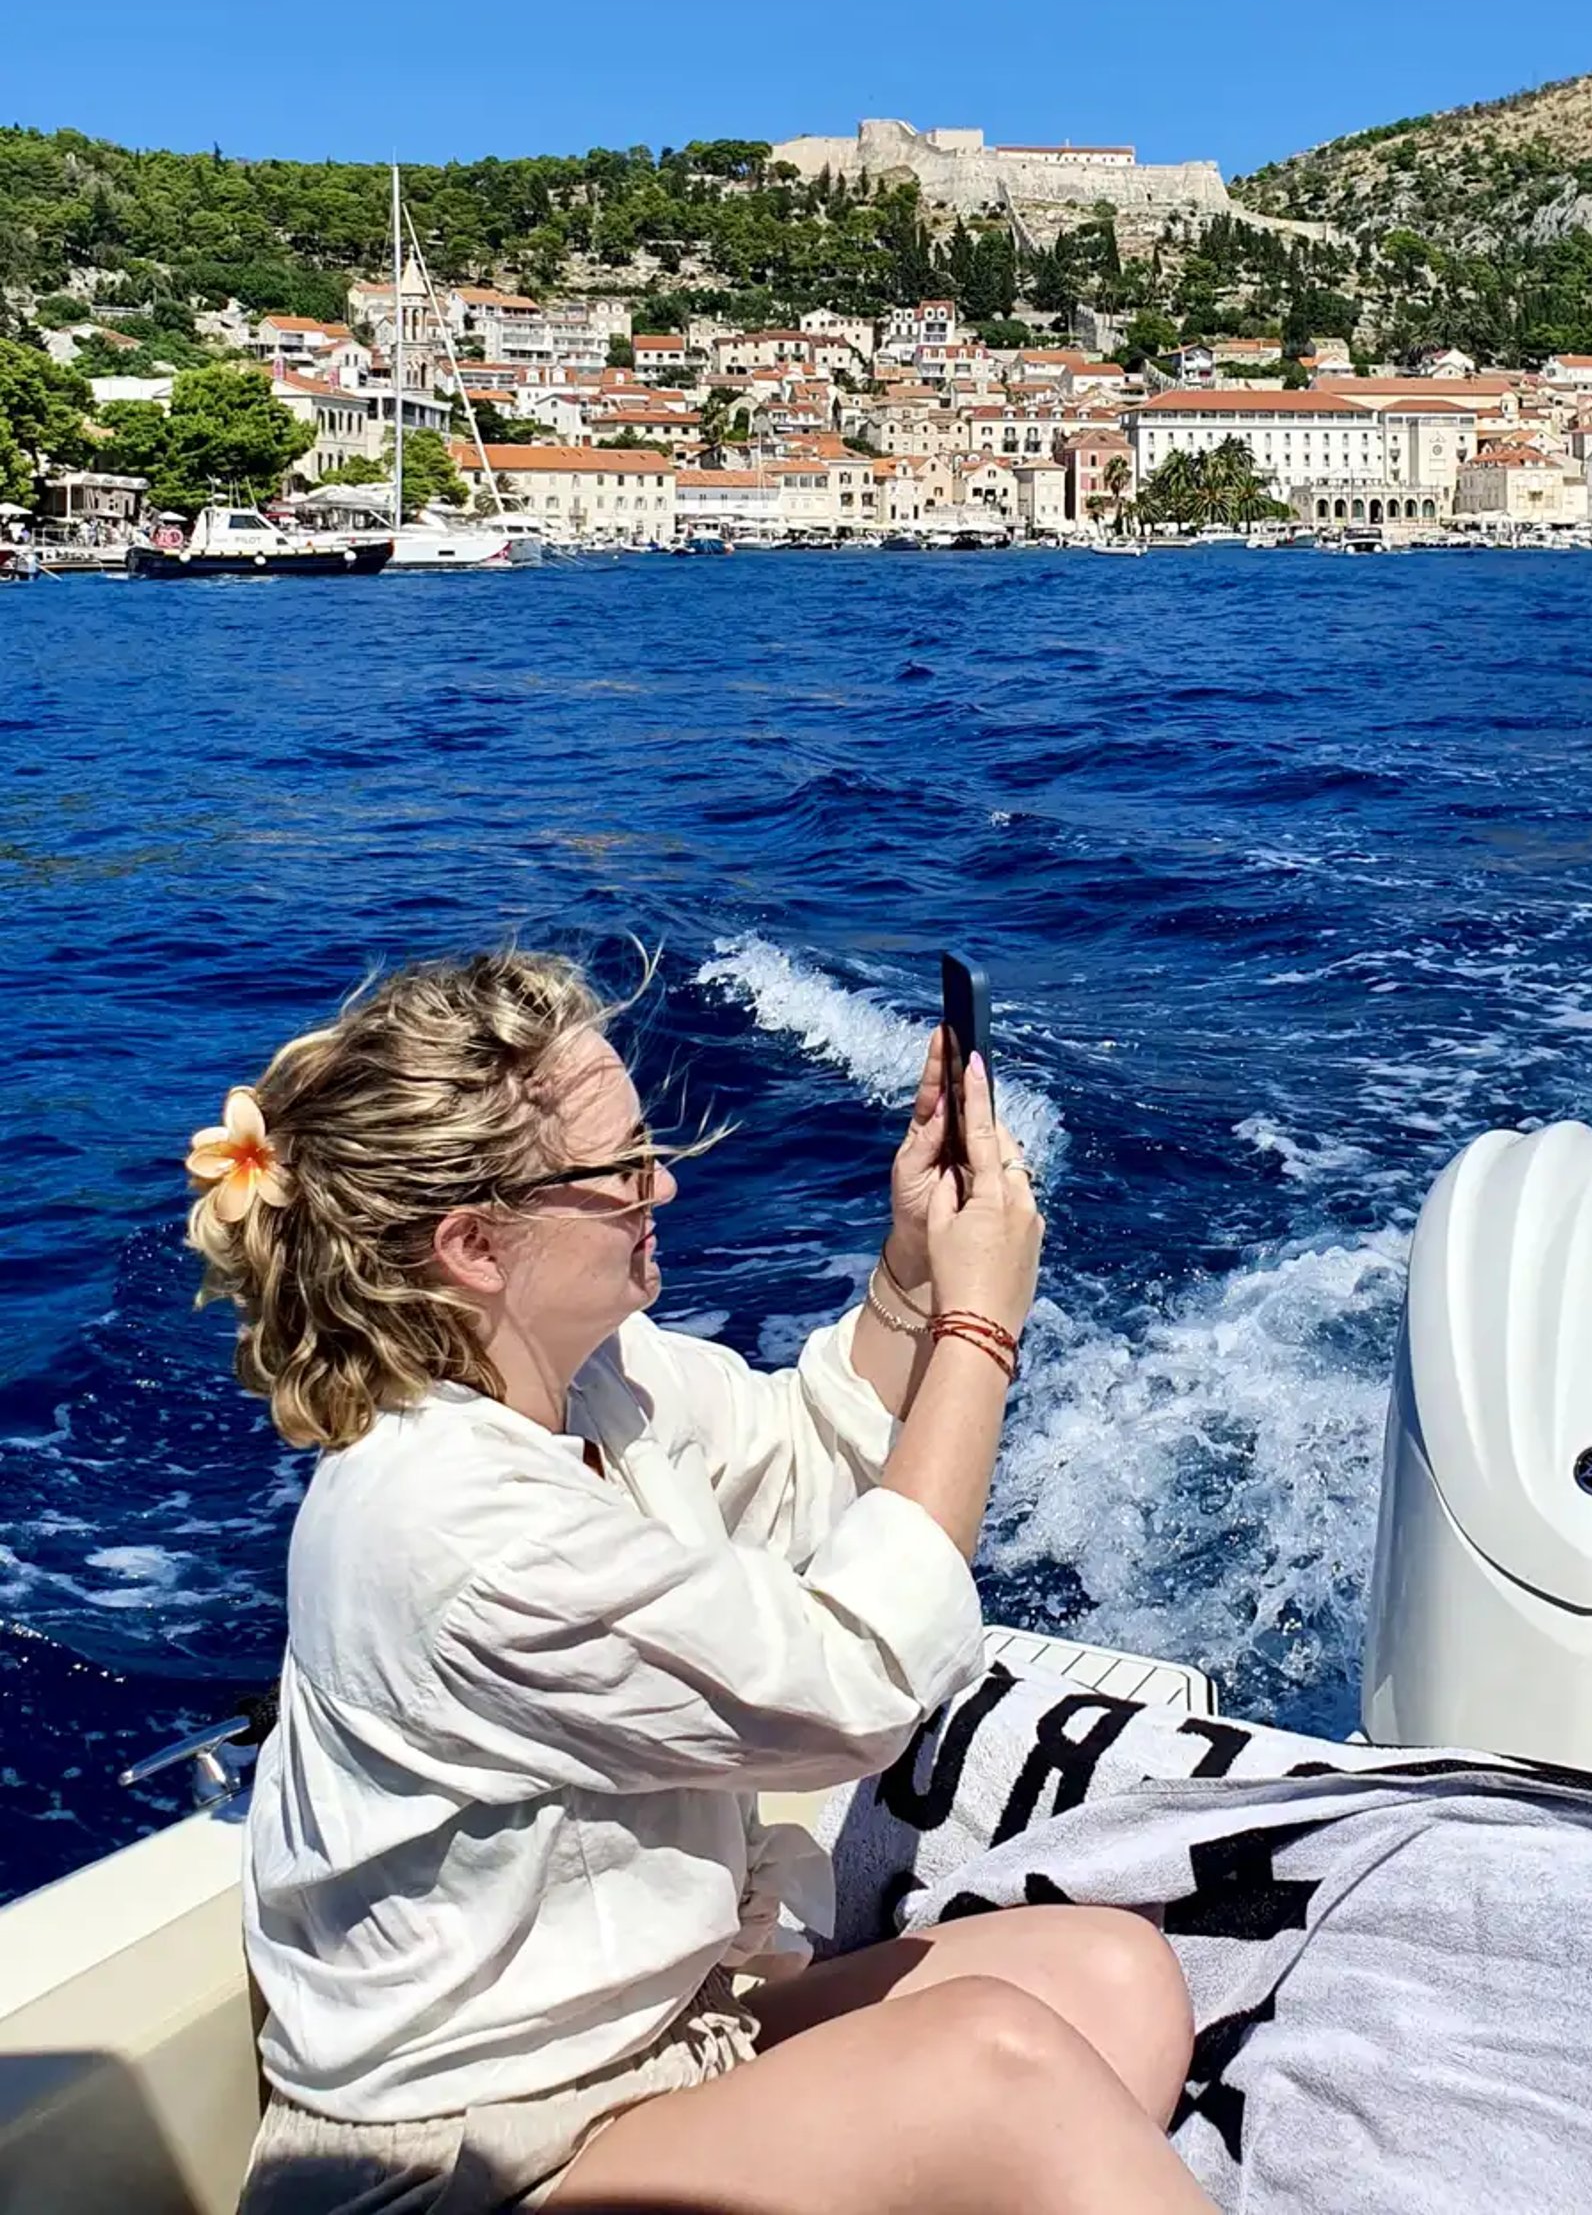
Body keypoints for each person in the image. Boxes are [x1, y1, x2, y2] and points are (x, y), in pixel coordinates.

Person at [187, 949, 1210, 2214]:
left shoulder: (589, 1381)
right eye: (619, 1169)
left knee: (1112, 1976)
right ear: (474, 1243)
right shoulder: (451, 1523)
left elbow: (800, 1455)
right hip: (472, 2158)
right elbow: (856, 1679)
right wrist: (978, 1329)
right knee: (995, 2065)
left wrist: (906, 1278)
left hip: (656, 2045)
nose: (660, 1184)